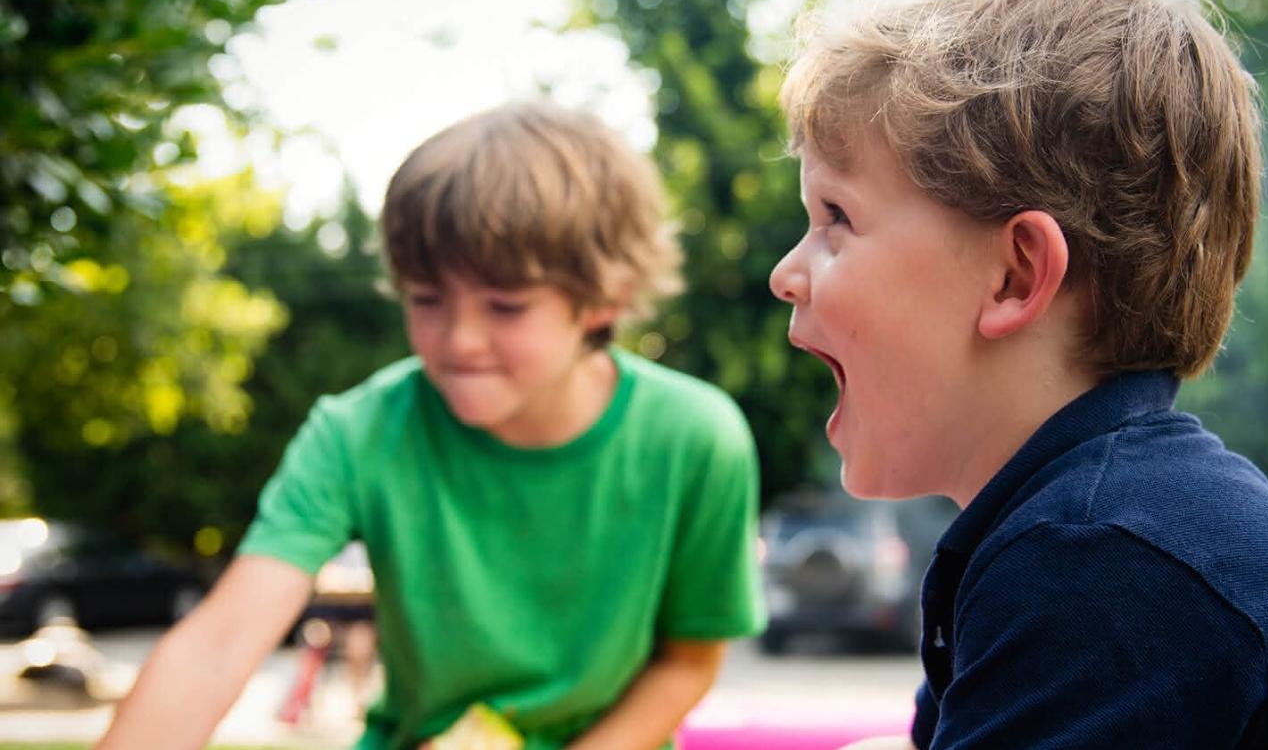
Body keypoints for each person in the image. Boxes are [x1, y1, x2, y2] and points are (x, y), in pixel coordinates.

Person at [768, 0, 1268, 749]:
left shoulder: (1097, 560)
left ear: (1015, 275)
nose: (785, 274)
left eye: (835, 215)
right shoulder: (1084, 516)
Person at [97, 101, 766, 750]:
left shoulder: (697, 437)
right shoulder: (356, 432)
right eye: (426, 299)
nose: (460, 339)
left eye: (506, 306)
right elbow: (217, 647)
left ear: (603, 300)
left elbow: (688, 660)